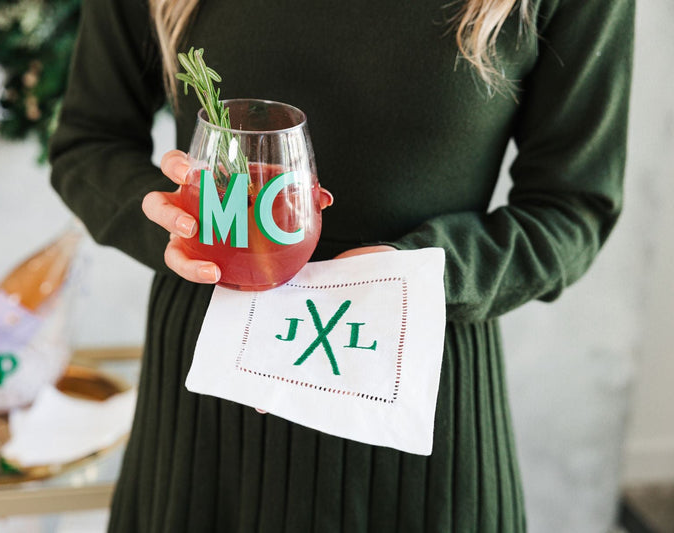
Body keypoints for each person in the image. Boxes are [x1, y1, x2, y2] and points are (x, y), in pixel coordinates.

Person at [49, 0, 634, 530]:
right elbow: (89, 141)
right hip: (208, 413)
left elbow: (573, 207)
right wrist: (170, 222)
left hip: (420, 403)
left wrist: (424, 274)